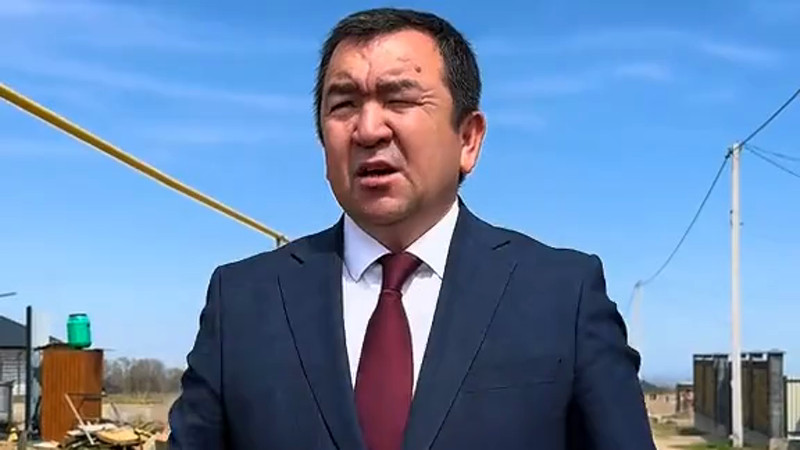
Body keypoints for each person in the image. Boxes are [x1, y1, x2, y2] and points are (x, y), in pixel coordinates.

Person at [168, 7, 656, 450]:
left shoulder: (562, 295)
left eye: (399, 100)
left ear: (468, 139)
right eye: (343, 105)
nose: (368, 129)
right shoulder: (242, 300)